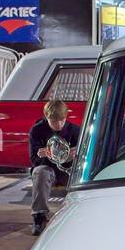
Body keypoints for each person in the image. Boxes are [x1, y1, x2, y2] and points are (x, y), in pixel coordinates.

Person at [28, 99, 80, 236]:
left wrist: (75, 155)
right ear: (47, 117)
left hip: (68, 169)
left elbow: (85, 158)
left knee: (82, 174)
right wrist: (42, 156)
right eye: (54, 121)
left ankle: (79, 212)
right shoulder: (37, 130)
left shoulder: (74, 130)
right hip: (48, 168)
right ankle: (39, 216)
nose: (59, 124)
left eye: (62, 120)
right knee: (40, 172)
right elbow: (34, 161)